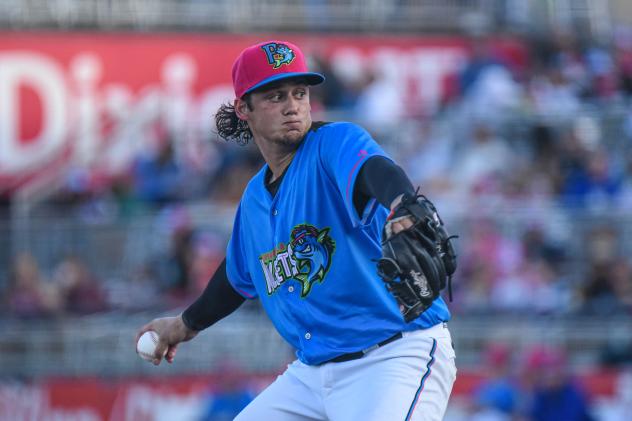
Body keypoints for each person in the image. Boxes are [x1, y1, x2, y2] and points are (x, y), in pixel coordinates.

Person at [136, 40, 457, 420]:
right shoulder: (254, 199)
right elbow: (237, 277)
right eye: (275, 96)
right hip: (311, 374)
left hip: (392, 357)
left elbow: (375, 171)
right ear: (244, 109)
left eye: (300, 93)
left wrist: (401, 202)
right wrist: (184, 324)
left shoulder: (332, 145)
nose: (292, 105)